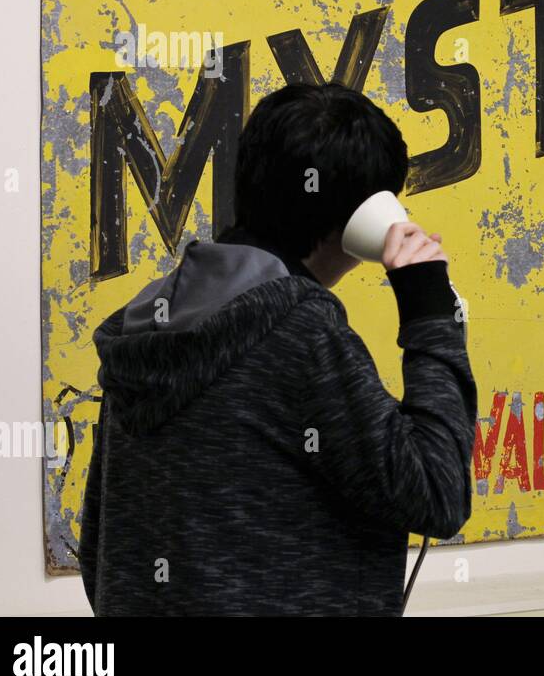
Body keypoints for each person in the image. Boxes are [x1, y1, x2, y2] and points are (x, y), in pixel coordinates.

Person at [80, 82, 477, 615]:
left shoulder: (148, 324)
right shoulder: (298, 330)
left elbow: (100, 552)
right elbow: (437, 490)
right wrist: (431, 316)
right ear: (362, 219)